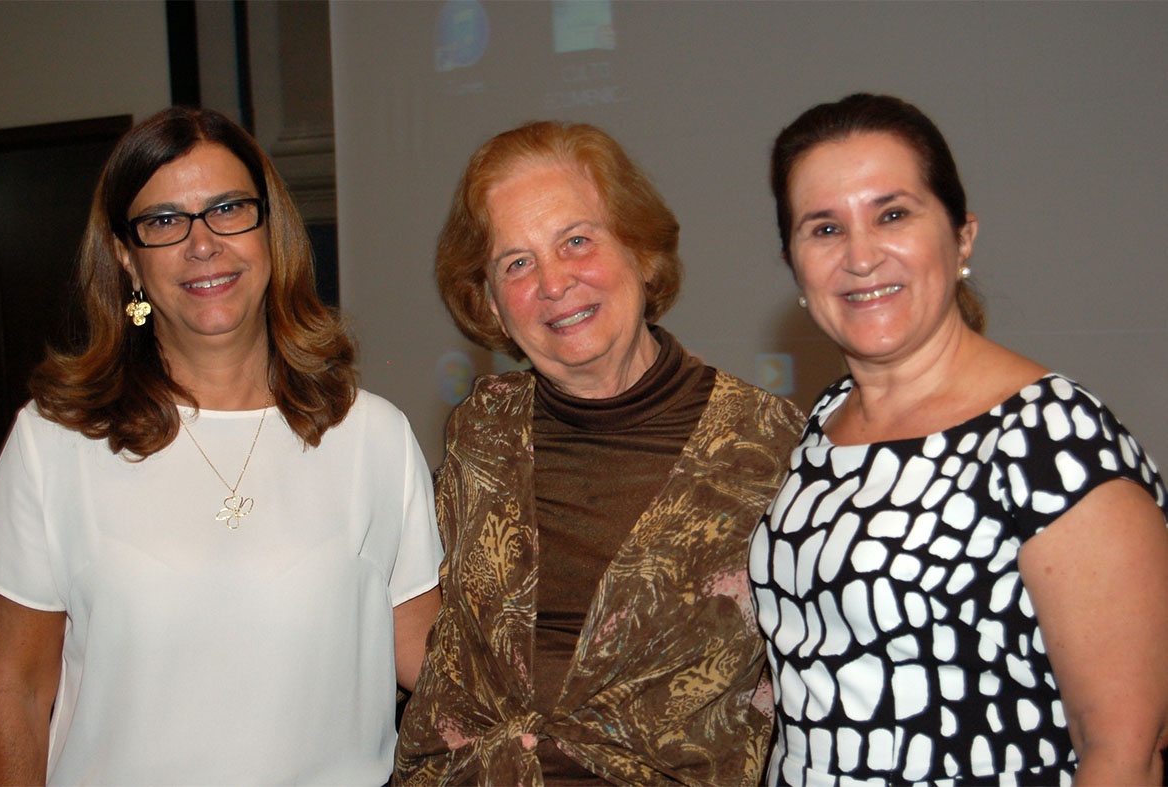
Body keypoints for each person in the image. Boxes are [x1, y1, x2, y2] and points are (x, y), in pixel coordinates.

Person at [0, 107, 443, 785]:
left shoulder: (371, 435)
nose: (202, 244)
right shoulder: (54, 441)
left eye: (228, 208)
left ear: (270, 231)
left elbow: (428, 660)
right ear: (126, 257)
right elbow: (17, 690)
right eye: (164, 220)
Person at [749, 92, 1168, 785]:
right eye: (823, 228)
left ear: (961, 235)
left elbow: (1121, 750)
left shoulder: (1049, 437)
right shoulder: (822, 422)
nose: (859, 256)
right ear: (793, 262)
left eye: (892, 214)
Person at [394, 120, 804, 785]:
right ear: (492, 305)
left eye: (576, 241)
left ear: (641, 252)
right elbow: (443, 652)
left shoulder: (772, 449)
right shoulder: (481, 431)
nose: (553, 283)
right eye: (516, 263)